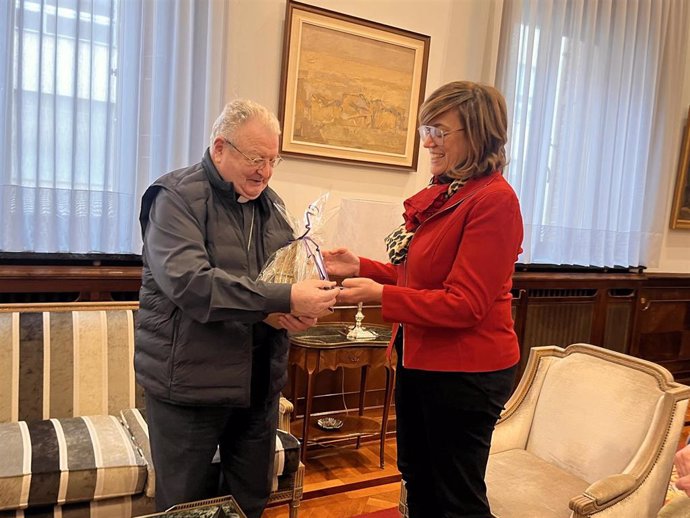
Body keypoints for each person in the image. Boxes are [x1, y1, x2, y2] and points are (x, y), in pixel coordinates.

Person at [323, 81, 523, 518]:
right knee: (417, 475)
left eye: (440, 130)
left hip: (467, 371)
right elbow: (417, 276)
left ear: (477, 134)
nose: (428, 140)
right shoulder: (449, 190)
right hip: (421, 359)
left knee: (456, 496)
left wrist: (382, 296)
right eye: (425, 128)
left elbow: (464, 303)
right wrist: (362, 267)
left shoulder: (494, 201)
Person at [135, 99, 338, 517]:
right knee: (184, 506)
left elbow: (279, 284)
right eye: (255, 157)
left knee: (250, 500)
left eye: (272, 159)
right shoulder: (174, 197)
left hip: (258, 387)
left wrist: (295, 311)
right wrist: (283, 300)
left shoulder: (274, 208)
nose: (264, 170)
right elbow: (192, 284)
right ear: (219, 148)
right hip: (190, 387)